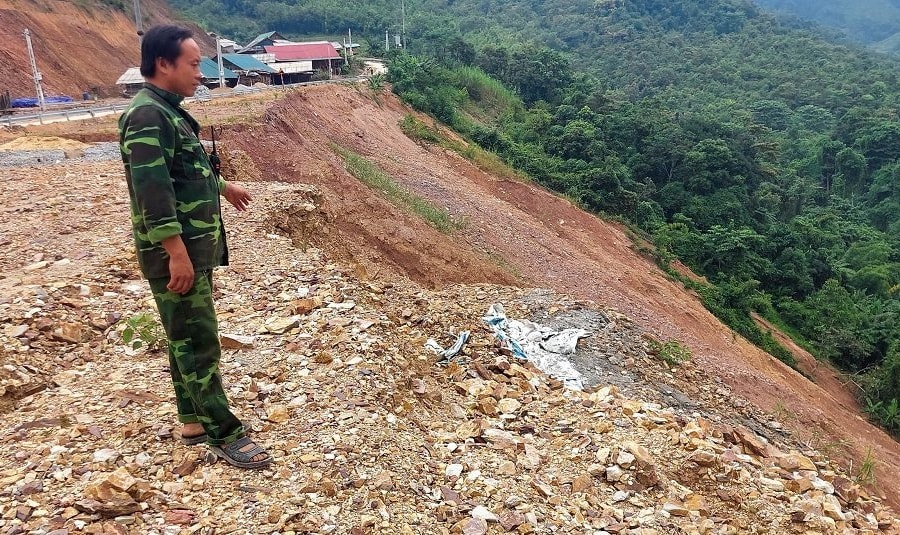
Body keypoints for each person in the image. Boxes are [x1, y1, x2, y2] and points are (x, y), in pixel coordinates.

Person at [118, 24, 271, 469]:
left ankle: (192, 420)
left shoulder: (167, 113)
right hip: (176, 253)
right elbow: (153, 192)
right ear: (163, 64)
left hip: (188, 248)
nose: (199, 73)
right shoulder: (147, 116)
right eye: (193, 63)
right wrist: (176, 253)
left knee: (182, 335)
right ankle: (227, 433)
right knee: (199, 340)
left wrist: (223, 187)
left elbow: (186, 172)